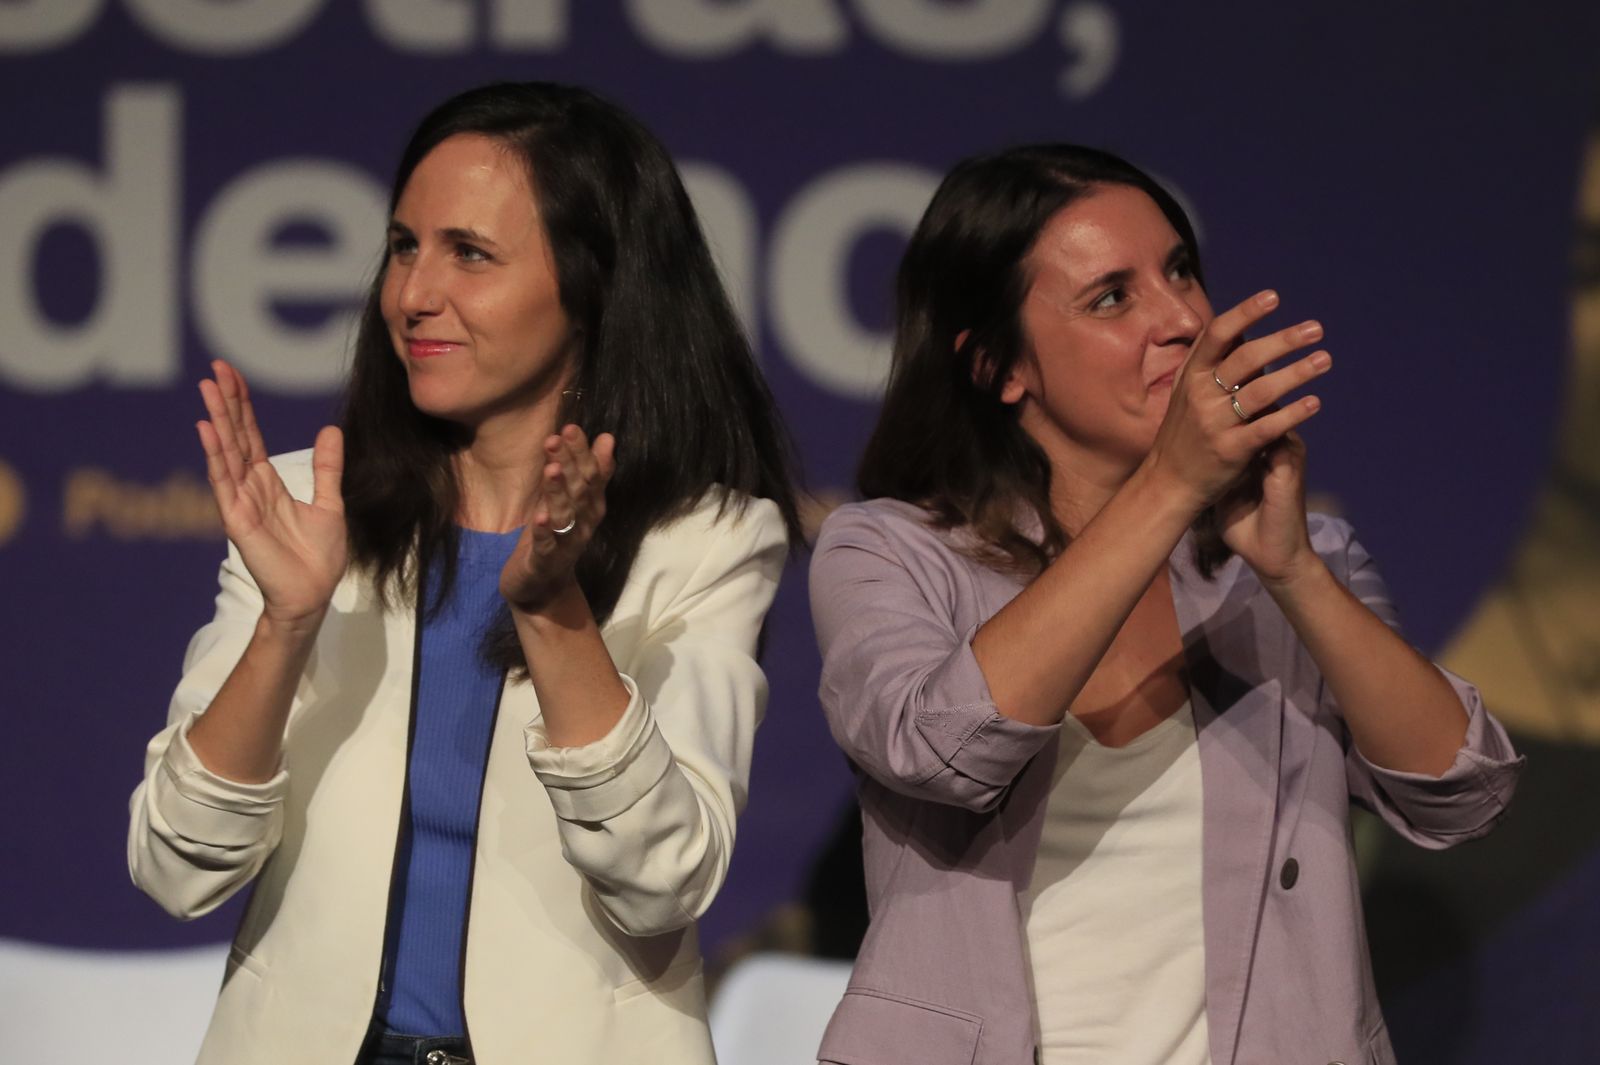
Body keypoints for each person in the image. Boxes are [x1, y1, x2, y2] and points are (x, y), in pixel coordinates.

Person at [128, 81, 799, 1065]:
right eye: (405, 246)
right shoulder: (311, 513)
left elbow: (662, 878)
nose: (412, 295)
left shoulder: (704, 541)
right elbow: (175, 863)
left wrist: (553, 608)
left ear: (590, 287)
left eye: (470, 255)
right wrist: (288, 620)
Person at [807, 145, 1523, 1065]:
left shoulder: (1294, 563)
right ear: (997, 367)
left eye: (1181, 270)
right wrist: (1172, 485)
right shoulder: (892, 550)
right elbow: (942, 749)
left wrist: (1296, 571)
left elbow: (1464, 793)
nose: (1183, 318)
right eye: (1113, 297)